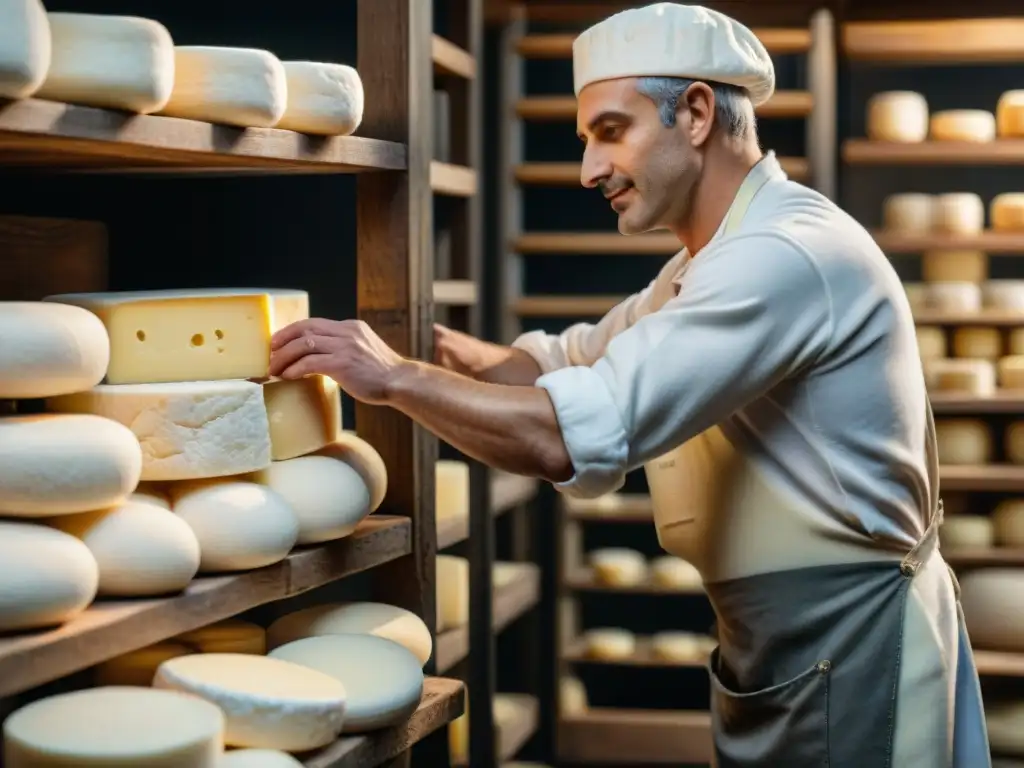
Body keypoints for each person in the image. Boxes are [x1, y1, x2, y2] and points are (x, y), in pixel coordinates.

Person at [268, 3, 989, 765]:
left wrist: (394, 378)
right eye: (585, 141)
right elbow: (565, 365)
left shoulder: (781, 256)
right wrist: (445, 352)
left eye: (612, 131)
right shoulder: (706, 264)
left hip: (847, 641)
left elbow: (565, 431)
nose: (589, 170)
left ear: (699, 114)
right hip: (791, 641)